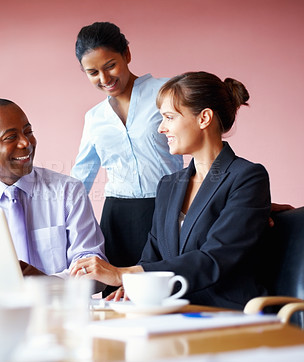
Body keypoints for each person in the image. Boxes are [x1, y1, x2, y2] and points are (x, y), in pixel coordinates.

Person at [71, 71, 272, 310]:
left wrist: (123, 274)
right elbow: (151, 257)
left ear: (204, 118)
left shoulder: (247, 178)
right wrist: (135, 285)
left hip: (228, 313)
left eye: (169, 117)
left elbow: (213, 260)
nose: (161, 128)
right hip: (174, 312)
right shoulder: (169, 185)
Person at [0, 98, 107, 280]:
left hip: (58, 307)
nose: (25, 143)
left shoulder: (68, 192)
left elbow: (95, 271)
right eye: (11, 137)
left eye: (28, 132)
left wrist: (48, 284)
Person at [71, 22, 183, 279]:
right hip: (117, 218)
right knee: (117, 300)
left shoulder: (167, 92)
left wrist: (234, 198)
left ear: (127, 55)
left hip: (166, 208)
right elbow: (80, 179)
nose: (104, 79)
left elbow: (204, 143)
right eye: (92, 72)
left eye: (110, 65)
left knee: (166, 289)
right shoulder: (94, 117)